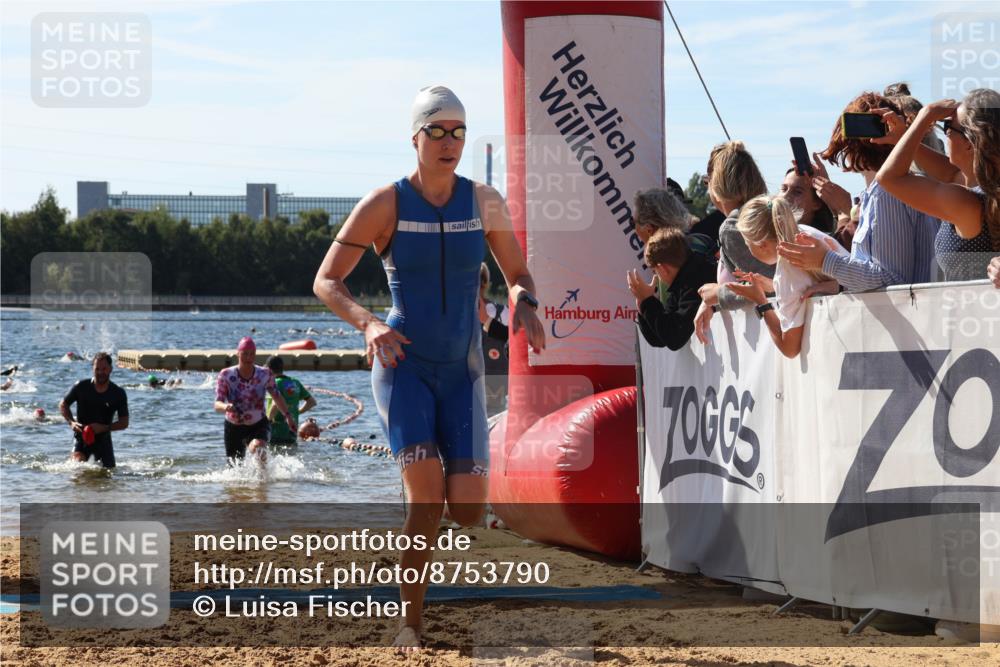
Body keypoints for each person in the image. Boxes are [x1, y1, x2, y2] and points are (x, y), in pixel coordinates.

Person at [312, 84, 545, 652]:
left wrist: (524, 302)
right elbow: (326, 280)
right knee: (425, 500)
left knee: (466, 511)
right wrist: (369, 324)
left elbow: (517, 273)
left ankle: (423, 520)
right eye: (436, 131)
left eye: (458, 132)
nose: (449, 142)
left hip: (462, 372)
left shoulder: (484, 201)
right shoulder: (384, 204)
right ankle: (409, 624)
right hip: (405, 366)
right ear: (414, 138)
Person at [777, 92, 939, 290]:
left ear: (849, 145)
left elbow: (891, 278)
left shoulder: (886, 194)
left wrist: (825, 260)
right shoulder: (897, 187)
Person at [874, 89, 999, 281]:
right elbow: (948, 173)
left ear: (968, 143)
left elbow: (889, 179)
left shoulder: (964, 201)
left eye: (948, 126)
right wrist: (903, 136)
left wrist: (925, 116)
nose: (945, 132)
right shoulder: (986, 189)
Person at [725, 195, 848, 358]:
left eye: (748, 244)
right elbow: (805, 283)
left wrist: (761, 301)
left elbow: (790, 348)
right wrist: (773, 286)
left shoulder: (787, 272)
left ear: (762, 245)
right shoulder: (805, 231)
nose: (748, 249)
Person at [693, 140, 773, 341]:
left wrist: (718, 295)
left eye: (707, 182)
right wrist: (714, 303)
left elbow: (765, 287)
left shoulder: (733, 226)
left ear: (716, 185)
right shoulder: (762, 215)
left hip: (770, 338)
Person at [628, 226, 717, 350]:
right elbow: (659, 338)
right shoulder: (683, 279)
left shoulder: (695, 279)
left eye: (655, 271)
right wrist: (643, 304)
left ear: (663, 269)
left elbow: (675, 337)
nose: (656, 276)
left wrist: (648, 301)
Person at [213, 337, 295, 464]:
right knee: (235, 466)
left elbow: (277, 396)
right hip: (233, 427)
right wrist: (226, 407)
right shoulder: (226, 375)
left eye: (252, 354)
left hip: (258, 424)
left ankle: (263, 476)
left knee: (258, 447)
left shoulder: (264, 374)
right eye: (245, 354)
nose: (248, 358)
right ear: (238, 353)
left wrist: (288, 416)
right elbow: (217, 404)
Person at [59, 352, 129, 468]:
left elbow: (124, 423)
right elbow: (63, 404)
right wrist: (71, 422)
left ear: (111, 369)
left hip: (104, 440)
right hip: (81, 437)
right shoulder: (81, 387)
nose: (100, 372)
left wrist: (103, 428)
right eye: (97, 369)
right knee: (77, 467)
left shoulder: (118, 393)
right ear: (92, 369)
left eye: (104, 369)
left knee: (108, 472)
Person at [265, 355, 316, 448]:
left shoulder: (275, 383)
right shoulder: (295, 382)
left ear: (268, 370)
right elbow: (311, 402)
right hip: (292, 431)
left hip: (276, 432)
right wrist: (298, 412)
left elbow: (275, 405)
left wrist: (267, 421)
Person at [478, 262, 509, 416]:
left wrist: (487, 322)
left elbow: (515, 340)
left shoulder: (501, 313)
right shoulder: (502, 312)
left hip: (496, 396)